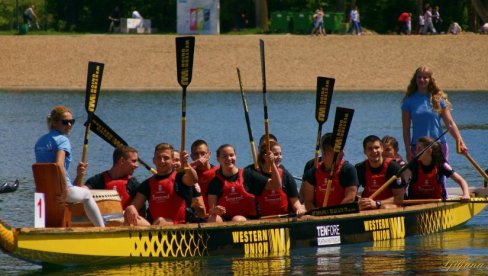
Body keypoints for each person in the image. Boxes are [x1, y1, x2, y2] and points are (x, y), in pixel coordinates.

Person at [34, 106, 105, 227]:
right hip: (60, 190)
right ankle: (102, 230)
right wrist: (65, 190)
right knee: (87, 195)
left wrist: (78, 174)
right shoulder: (62, 140)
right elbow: (59, 165)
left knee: (79, 192)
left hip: (42, 191)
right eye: (65, 122)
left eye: (72, 122)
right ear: (55, 123)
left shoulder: (40, 141)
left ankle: (39, 230)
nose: (69, 125)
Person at [401, 66, 467, 163]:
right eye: (419, 77)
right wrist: (407, 150)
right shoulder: (408, 101)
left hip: (438, 145)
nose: (422, 80)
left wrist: (460, 142)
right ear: (415, 79)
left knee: (441, 176)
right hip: (418, 147)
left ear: (430, 80)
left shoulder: (437, 99)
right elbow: (406, 128)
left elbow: (450, 123)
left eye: (425, 77)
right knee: (420, 177)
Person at [124, 143, 197, 226]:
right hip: (154, 227)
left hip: (179, 226)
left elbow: (193, 179)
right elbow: (135, 205)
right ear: (153, 160)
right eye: (159, 158)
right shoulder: (147, 184)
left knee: (160, 221)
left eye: (166, 158)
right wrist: (130, 208)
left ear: (173, 160)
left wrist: (186, 164)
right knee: (127, 215)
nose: (162, 161)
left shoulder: (181, 178)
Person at [207, 144, 281, 222]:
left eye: (231, 155)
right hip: (225, 220)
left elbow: (276, 185)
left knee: (236, 219)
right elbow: (211, 210)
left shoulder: (248, 174)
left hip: (247, 220)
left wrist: (272, 163)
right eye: (225, 156)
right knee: (213, 218)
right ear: (218, 159)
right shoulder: (214, 182)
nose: (229, 158)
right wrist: (215, 210)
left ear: (235, 156)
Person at [246, 141, 306, 217]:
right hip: (261, 221)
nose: (279, 157)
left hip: (283, 218)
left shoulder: (286, 175)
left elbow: (295, 202)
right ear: (265, 157)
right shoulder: (254, 175)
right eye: (275, 154)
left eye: (280, 154)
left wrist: (299, 209)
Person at [302, 133, 358, 211]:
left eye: (343, 149)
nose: (343, 153)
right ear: (326, 154)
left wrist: (332, 213)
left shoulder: (348, 170)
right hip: (319, 217)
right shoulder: (311, 173)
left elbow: (350, 198)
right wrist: (318, 214)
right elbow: (308, 202)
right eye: (340, 151)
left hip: (343, 215)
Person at [404, 136, 470, 200]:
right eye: (416, 148)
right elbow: (403, 183)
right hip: (414, 203)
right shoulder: (412, 164)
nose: (416, 151)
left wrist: (466, 194)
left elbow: (461, 181)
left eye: (419, 149)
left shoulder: (442, 164)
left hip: (436, 203)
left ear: (429, 151)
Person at [355, 135, 405, 210]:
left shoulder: (393, 167)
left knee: (384, 207)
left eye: (376, 147)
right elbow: (351, 195)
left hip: (388, 207)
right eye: (370, 149)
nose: (374, 151)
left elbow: (399, 198)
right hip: (369, 207)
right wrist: (359, 202)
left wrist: (377, 203)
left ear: (382, 149)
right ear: (364, 151)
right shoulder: (360, 168)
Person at [85, 145, 140, 210]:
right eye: (133, 161)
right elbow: (79, 193)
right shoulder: (98, 180)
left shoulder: (133, 183)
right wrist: (79, 176)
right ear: (122, 160)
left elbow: (141, 212)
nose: (137, 165)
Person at [190, 139, 218, 213]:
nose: (200, 157)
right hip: (196, 215)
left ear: (209, 154)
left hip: (215, 214)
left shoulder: (218, 172)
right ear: (191, 156)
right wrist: (192, 165)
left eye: (203, 153)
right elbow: (174, 174)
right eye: (196, 154)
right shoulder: (188, 174)